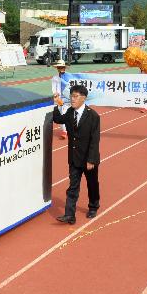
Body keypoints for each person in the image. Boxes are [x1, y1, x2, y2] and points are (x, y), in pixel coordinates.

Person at [52, 85, 101, 223]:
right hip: (74, 158)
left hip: (88, 159)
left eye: (75, 96)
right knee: (73, 186)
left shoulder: (93, 116)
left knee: (92, 184)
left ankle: (93, 206)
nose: (72, 99)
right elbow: (58, 119)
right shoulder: (69, 113)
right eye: (71, 96)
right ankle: (70, 214)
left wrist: (91, 159)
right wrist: (57, 104)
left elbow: (95, 139)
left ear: (83, 98)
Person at [51, 60, 69, 140]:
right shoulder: (55, 78)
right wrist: (55, 94)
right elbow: (53, 88)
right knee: (60, 114)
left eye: (61, 67)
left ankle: (65, 131)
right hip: (58, 99)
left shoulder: (69, 77)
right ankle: (64, 130)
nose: (60, 69)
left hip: (68, 99)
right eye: (58, 67)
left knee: (65, 113)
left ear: (64, 68)